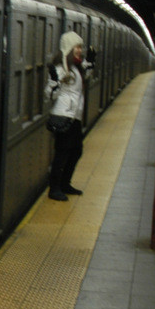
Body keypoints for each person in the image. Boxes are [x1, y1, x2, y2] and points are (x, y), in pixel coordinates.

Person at [44, 31, 94, 201]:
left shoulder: (74, 67)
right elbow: (49, 95)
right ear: (68, 49)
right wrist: (53, 82)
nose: (80, 50)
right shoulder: (59, 69)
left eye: (80, 47)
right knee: (62, 153)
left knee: (76, 151)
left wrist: (91, 64)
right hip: (63, 116)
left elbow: (81, 81)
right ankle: (55, 188)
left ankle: (65, 184)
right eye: (77, 47)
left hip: (74, 117)